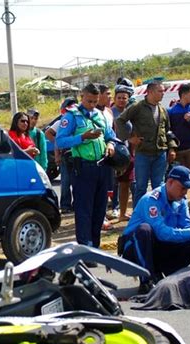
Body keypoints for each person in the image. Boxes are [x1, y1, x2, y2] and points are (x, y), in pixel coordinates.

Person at [118, 165, 190, 294]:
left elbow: (186, 227)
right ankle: (146, 281)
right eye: (182, 188)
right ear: (170, 182)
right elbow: (162, 233)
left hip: (158, 247)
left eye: (187, 189)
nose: (184, 192)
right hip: (134, 252)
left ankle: (169, 276)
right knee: (144, 229)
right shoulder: (151, 200)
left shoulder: (181, 202)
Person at [56, 83, 117, 248]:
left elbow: (111, 135)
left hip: (102, 167)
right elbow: (60, 140)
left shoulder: (100, 114)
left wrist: (110, 145)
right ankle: (85, 247)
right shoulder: (71, 116)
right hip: (83, 168)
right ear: (82, 97)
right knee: (84, 211)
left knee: (99, 210)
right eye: (89, 101)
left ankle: (95, 247)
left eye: (95, 101)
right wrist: (82, 137)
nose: (92, 105)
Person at [117, 81, 178, 207]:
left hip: (160, 153)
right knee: (141, 187)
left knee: (159, 187)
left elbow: (168, 131)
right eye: (160, 91)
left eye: (163, 91)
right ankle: (139, 216)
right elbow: (120, 121)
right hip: (143, 153)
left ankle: (159, 213)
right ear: (150, 92)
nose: (162, 94)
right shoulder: (137, 107)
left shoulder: (162, 110)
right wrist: (129, 138)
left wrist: (171, 148)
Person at [168, 84, 190, 217]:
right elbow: (169, 130)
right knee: (178, 179)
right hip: (178, 150)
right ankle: (179, 203)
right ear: (183, 95)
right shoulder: (172, 112)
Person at [45, 98, 77, 213]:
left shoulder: (78, 121)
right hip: (66, 156)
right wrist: (58, 152)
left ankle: (75, 204)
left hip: (77, 155)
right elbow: (48, 133)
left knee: (76, 182)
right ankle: (65, 206)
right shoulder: (61, 122)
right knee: (66, 182)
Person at [112, 84, 136, 221]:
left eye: (124, 98)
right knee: (110, 185)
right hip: (112, 153)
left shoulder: (131, 113)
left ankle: (122, 213)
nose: (121, 100)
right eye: (119, 97)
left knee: (125, 184)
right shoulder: (109, 113)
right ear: (115, 98)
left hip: (127, 153)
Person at [97, 84, 116, 230]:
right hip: (95, 157)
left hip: (109, 155)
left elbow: (112, 133)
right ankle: (99, 216)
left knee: (108, 187)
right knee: (97, 188)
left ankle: (103, 213)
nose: (110, 97)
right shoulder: (91, 113)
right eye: (107, 94)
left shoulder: (109, 112)